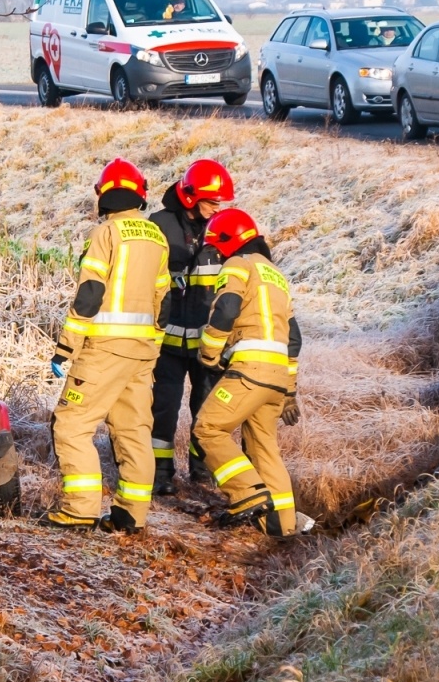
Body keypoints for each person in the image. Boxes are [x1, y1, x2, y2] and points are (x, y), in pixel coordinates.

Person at [46, 159, 172, 534]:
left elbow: (90, 295)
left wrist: (66, 348)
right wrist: (151, 349)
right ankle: (130, 515)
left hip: (104, 350)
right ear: (139, 194)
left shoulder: (106, 233)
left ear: (103, 195)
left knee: (71, 425)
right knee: (134, 432)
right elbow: (164, 303)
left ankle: (80, 510)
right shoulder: (157, 237)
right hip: (142, 353)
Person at [191, 208, 315, 539]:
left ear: (227, 242)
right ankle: (281, 525)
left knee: (208, 429)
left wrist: (209, 353)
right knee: (264, 447)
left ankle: (246, 493)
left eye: (217, 249)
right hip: (276, 378)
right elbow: (294, 338)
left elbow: (226, 310)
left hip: (249, 370)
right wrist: (289, 390)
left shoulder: (238, 264)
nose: (217, 256)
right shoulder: (276, 275)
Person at [148, 159, 235, 495]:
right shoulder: (159, 225)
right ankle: (160, 474)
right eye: (212, 201)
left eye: (220, 203)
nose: (217, 208)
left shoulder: (222, 227)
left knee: (207, 410)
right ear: (190, 197)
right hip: (167, 342)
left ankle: (202, 473)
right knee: (163, 409)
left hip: (206, 344)